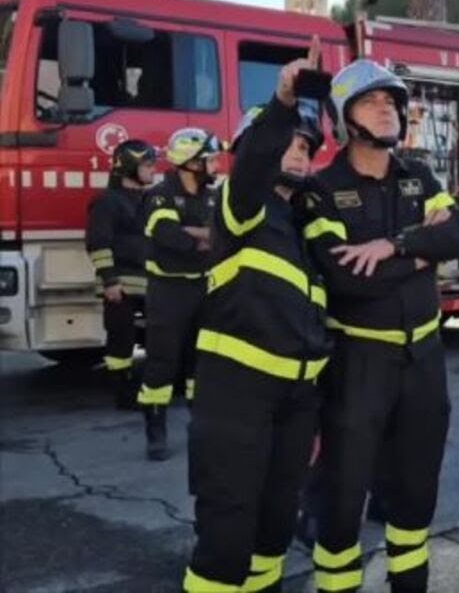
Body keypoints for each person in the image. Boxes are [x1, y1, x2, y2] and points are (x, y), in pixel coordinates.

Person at [300, 59, 459, 593]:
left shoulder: (417, 175)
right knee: (344, 494)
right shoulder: (321, 190)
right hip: (358, 366)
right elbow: (350, 280)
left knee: (416, 488)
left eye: (393, 101)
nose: (388, 109)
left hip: (423, 362)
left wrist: (394, 246)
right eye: (373, 101)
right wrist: (424, 250)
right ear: (343, 117)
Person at [183, 39, 330, 593]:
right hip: (236, 399)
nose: (298, 153)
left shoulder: (301, 226)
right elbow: (252, 170)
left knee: (274, 528)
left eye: (306, 148)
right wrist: (285, 104)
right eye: (288, 145)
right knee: (227, 535)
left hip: (294, 403)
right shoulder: (240, 208)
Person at [135, 128, 219, 460]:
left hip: (205, 288)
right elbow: (167, 234)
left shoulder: (213, 195)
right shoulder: (160, 194)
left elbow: (224, 235)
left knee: (203, 364)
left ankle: (201, 428)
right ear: (190, 162)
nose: (214, 164)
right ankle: (156, 431)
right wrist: (204, 237)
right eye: (208, 158)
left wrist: (199, 235)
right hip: (169, 291)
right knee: (161, 363)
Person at [86, 139, 156, 410]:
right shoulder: (106, 201)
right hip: (120, 285)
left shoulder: (150, 199)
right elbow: (98, 243)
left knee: (161, 336)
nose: (152, 171)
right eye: (147, 165)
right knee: (121, 337)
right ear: (129, 167)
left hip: (151, 282)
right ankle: (122, 391)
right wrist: (110, 281)